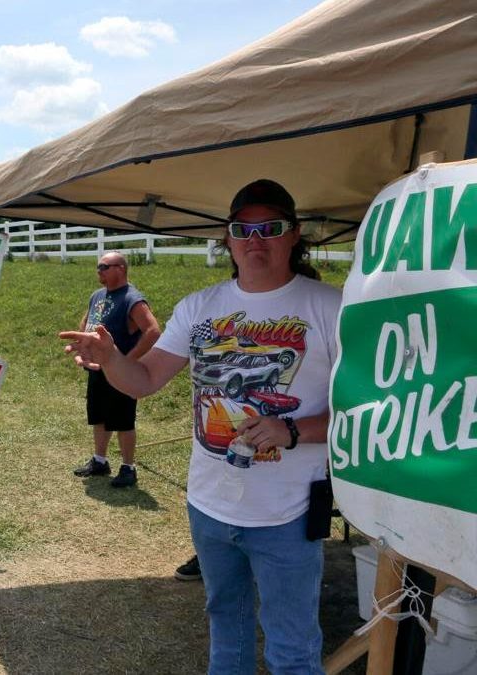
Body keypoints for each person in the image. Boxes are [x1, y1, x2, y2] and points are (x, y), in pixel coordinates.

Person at [61, 179, 341, 674]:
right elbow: (144, 380)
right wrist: (110, 358)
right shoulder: (198, 306)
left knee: (293, 650)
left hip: (288, 515)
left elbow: (364, 412)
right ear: (228, 239)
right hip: (209, 506)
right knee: (225, 632)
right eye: (242, 229)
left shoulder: (330, 307)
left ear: (294, 235)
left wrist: (292, 431)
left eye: (270, 228)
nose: (256, 240)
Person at [72, 252, 160, 487]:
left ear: (120, 268)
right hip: (97, 368)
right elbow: (88, 319)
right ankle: (100, 461)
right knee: (99, 415)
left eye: (103, 266)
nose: (98, 271)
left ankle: (128, 468)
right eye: (98, 267)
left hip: (121, 373)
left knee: (122, 420)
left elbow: (152, 331)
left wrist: (128, 361)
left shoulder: (133, 298)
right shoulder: (97, 295)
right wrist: (83, 345)